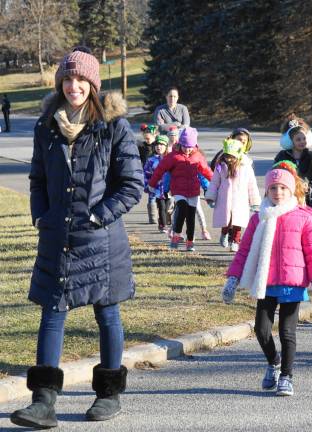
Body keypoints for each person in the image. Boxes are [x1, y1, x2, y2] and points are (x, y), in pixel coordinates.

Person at [9, 47, 144, 429]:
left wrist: (101, 215)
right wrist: (41, 216)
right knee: (52, 314)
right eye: (67, 79)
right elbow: (37, 179)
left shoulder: (114, 127)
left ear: (93, 85)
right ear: (60, 84)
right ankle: (43, 401)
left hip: (102, 242)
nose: (74, 86)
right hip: (58, 237)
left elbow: (133, 185)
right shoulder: (45, 127)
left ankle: (108, 395)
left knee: (108, 314)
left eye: (81, 80)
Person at [222, 164, 312, 396]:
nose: (278, 192)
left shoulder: (304, 218)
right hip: (266, 282)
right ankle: (274, 362)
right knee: (261, 330)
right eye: (273, 188)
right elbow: (244, 251)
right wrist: (233, 277)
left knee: (287, 332)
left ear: (291, 190)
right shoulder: (258, 219)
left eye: (282, 187)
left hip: (292, 282)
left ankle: (287, 377)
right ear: (266, 191)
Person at [148, 126, 212, 251]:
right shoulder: (173, 156)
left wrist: (217, 183)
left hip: (193, 191)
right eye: (185, 146)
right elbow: (160, 170)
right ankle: (176, 235)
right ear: (180, 143)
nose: (187, 150)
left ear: (194, 145)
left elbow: (206, 171)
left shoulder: (198, 156)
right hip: (178, 190)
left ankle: (190, 241)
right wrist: (152, 184)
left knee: (191, 216)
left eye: (190, 147)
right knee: (182, 208)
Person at [205, 138, 261, 252]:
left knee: (237, 222)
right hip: (224, 199)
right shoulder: (220, 166)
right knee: (226, 220)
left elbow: (252, 184)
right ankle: (224, 233)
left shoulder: (245, 167)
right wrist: (211, 196)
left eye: (232, 156)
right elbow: (215, 182)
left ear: (238, 155)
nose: (229, 159)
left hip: (240, 200)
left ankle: (236, 241)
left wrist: (254, 201)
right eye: (227, 156)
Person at [144, 135, 171, 232]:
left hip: (170, 189)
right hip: (157, 188)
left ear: (166, 146)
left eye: (161, 145)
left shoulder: (172, 159)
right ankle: (163, 226)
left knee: (167, 208)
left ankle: (161, 222)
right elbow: (146, 174)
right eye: (157, 145)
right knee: (161, 207)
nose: (158, 147)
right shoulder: (151, 160)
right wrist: (147, 185)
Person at [274, 114, 312, 179]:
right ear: (290, 141)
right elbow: (275, 172)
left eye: (304, 138)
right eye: (298, 140)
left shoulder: (311, 156)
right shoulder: (282, 155)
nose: (302, 142)